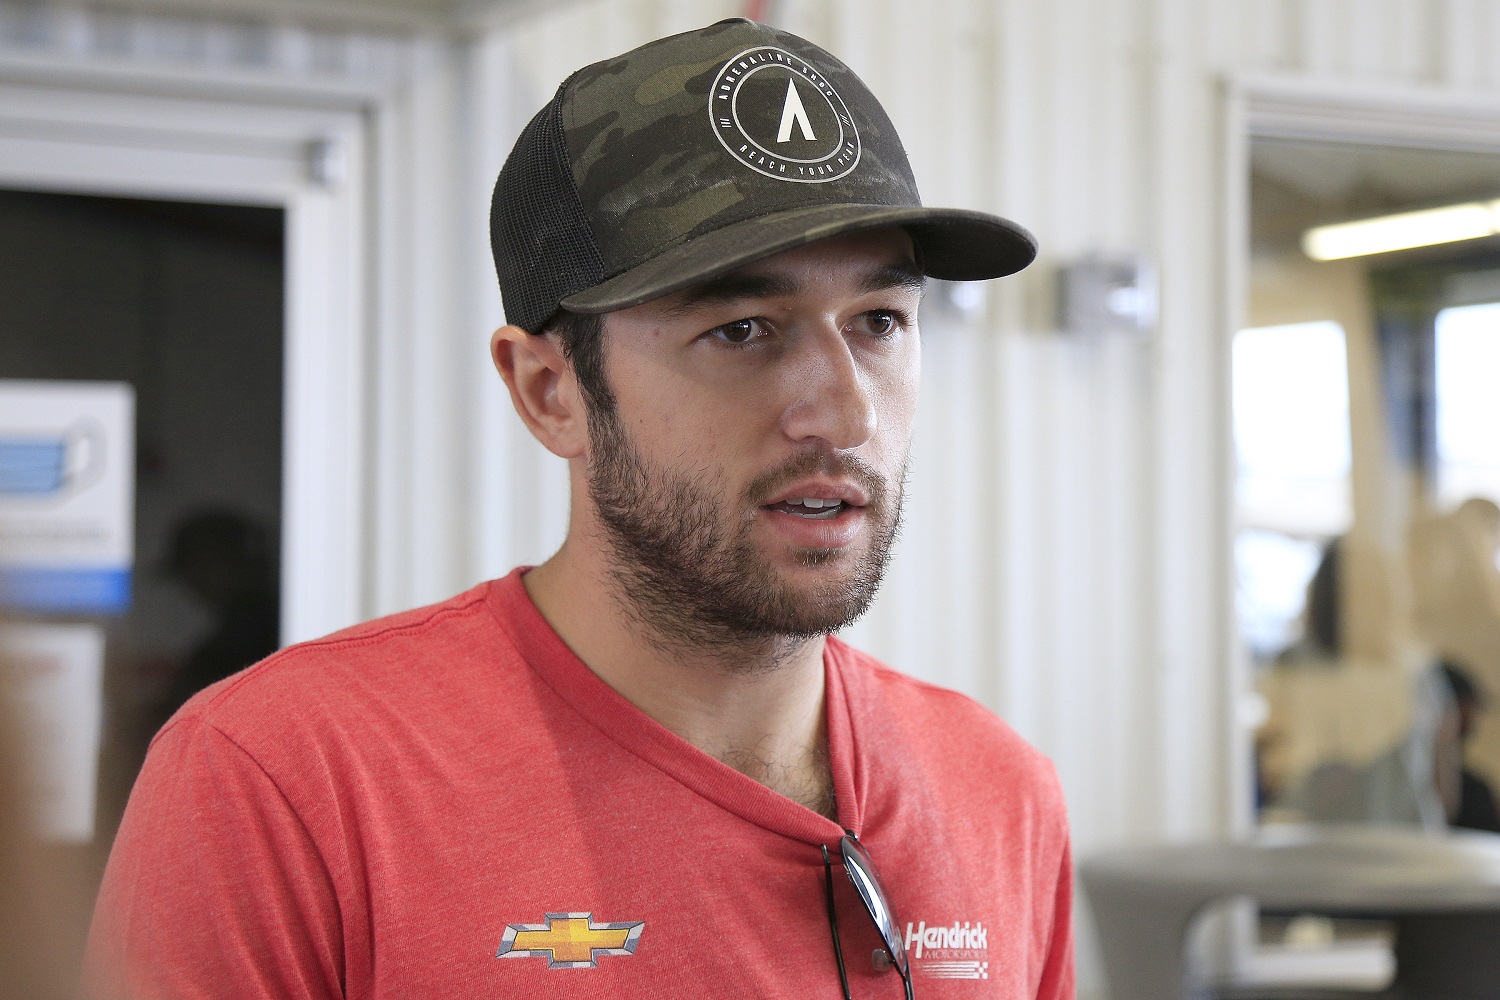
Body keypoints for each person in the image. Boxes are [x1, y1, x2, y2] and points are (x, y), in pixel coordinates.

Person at [86, 18, 1073, 999]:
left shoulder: (997, 793)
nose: (846, 410)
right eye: (741, 329)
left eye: (878, 322)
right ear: (550, 392)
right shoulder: (284, 787)